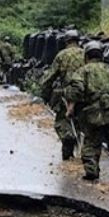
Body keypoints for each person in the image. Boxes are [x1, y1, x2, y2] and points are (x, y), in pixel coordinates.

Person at [64, 41, 109, 181]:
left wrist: (70, 108)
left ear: (86, 56)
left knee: (91, 142)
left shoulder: (83, 71)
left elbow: (75, 91)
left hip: (94, 113)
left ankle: (92, 171)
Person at [38, 30, 86, 160]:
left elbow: (50, 76)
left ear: (66, 41)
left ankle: (68, 151)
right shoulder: (86, 54)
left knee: (63, 122)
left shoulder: (62, 55)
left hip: (68, 95)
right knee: (85, 124)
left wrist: (45, 94)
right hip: (86, 94)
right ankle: (87, 156)